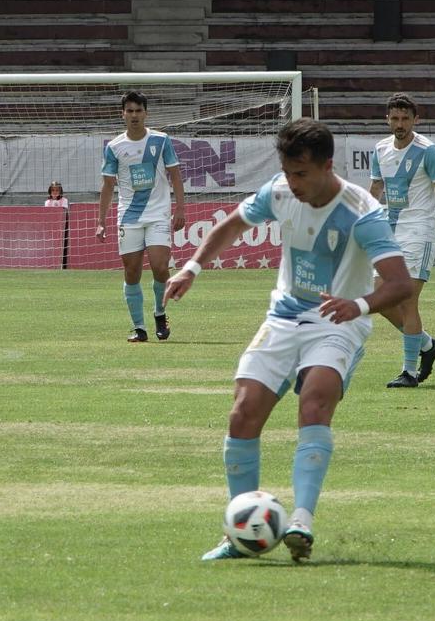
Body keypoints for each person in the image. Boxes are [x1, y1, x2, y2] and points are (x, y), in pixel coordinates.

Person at [166, 119, 412, 563]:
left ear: (327, 166)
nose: (292, 182)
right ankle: (240, 534)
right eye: (287, 171)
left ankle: (301, 520)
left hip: (336, 321)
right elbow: (230, 226)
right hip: (282, 317)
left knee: (314, 403)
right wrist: (192, 268)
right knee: (242, 413)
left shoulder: (362, 211)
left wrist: (357, 305)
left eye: (301, 173)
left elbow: (400, 284)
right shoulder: (278, 192)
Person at [368, 93, 435, 387]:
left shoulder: (427, 151)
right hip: (390, 232)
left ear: (416, 120)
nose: (400, 124)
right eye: (395, 118)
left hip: (419, 231)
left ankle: (409, 371)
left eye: (405, 118)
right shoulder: (380, 149)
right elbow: (376, 189)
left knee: (407, 300)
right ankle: (427, 345)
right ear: (387, 120)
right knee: (378, 299)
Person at [96, 91, 187, 343]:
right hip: (129, 216)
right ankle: (139, 327)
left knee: (160, 267)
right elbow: (107, 185)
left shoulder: (161, 140)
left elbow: (175, 175)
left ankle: (160, 314)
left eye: (138, 110)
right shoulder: (114, 147)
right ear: (122, 114)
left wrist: (180, 209)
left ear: (146, 113)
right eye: (130, 111)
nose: (134, 115)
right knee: (132, 271)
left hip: (158, 214)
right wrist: (101, 221)